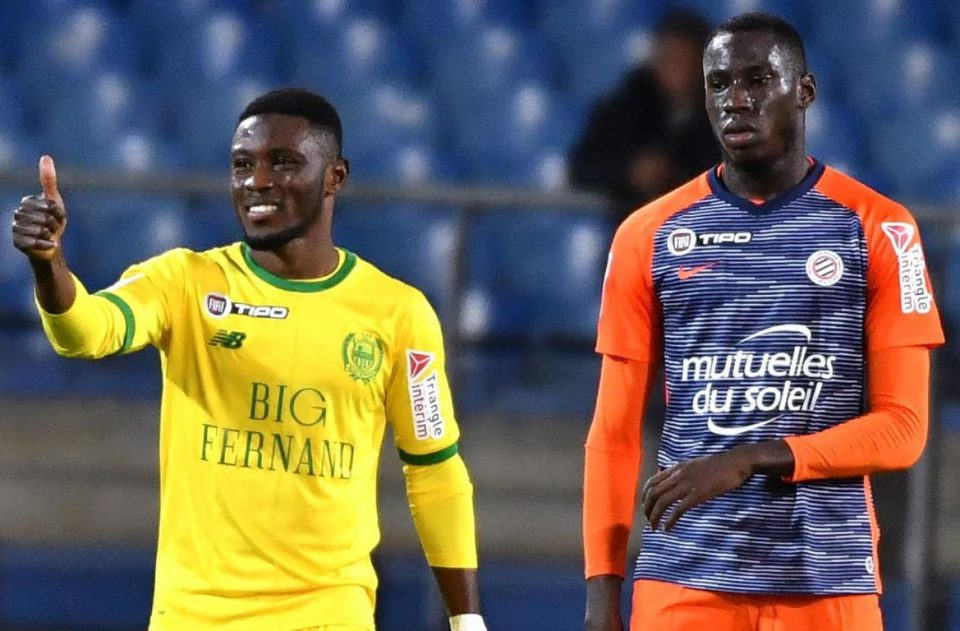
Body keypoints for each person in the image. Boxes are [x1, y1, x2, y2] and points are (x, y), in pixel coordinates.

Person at [11, 88, 486, 631]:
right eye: (242, 165)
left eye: (283, 162)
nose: (257, 181)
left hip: (329, 615)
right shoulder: (184, 283)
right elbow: (86, 332)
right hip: (194, 617)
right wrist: (49, 264)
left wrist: (466, 619)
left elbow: (434, 469)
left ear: (335, 177)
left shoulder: (399, 314)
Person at [582, 13, 944, 631]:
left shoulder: (882, 229)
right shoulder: (647, 235)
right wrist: (601, 599)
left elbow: (903, 429)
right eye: (719, 84)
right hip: (684, 583)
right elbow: (613, 435)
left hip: (827, 582)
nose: (736, 99)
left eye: (757, 80)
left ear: (804, 91)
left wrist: (752, 458)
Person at [568, 9, 719, 221]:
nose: (674, 69)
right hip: (637, 229)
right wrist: (630, 173)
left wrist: (677, 176)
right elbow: (584, 165)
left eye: (684, 59)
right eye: (667, 58)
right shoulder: (626, 107)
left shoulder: (726, 113)